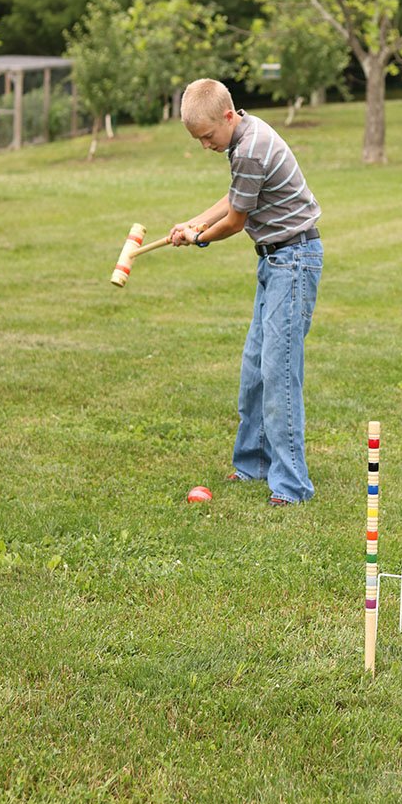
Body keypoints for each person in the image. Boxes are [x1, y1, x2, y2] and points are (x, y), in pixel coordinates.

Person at [169, 78, 323, 506]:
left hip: (293, 261)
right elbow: (233, 198)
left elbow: (236, 221)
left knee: (278, 372)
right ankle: (253, 463)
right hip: (275, 261)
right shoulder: (243, 137)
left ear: (227, 115)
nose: (205, 146)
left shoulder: (252, 146)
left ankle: (291, 486)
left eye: (206, 137)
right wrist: (194, 222)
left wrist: (199, 239)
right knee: (255, 366)